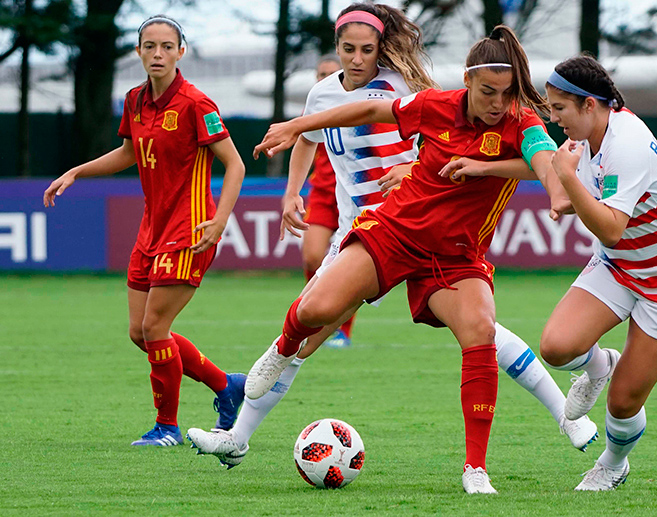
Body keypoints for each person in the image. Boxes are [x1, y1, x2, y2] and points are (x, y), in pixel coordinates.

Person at [186, 13, 596, 490]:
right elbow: (354, 116)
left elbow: (541, 158)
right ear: (469, 83)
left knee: (483, 331)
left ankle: (492, 458)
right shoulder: (418, 101)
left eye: (507, 93)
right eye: (488, 92)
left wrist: (552, 188)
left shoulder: (489, 111)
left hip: (452, 253)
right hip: (387, 230)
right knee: (313, 315)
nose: (498, 103)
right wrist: (295, 137)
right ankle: (247, 418)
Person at [42, 15, 247, 447]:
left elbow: (235, 164)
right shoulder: (135, 100)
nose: (158, 53)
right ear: (138, 51)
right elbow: (129, 152)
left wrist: (221, 220)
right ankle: (227, 386)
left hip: (190, 230)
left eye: (167, 46)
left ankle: (167, 428)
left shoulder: (196, 103)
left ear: (180, 52)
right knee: (141, 333)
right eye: (149, 46)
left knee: (156, 328)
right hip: (151, 230)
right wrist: (78, 171)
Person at [539, 54, 657, 491]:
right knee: (557, 347)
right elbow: (564, 182)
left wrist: (569, 183)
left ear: (589, 105)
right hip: (619, 266)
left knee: (623, 403)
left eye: (559, 108)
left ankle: (613, 465)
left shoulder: (627, 142)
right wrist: (483, 170)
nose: (553, 117)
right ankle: (600, 366)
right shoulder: (589, 136)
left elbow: (613, 229)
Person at [300, 54, 356, 348]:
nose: (325, 79)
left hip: (353, 193)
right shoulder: (316, 105)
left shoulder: (363, 105)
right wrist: (292, 191)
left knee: (352, 264)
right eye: (320, 74)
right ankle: (319, 313)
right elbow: (305, 144)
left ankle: (342, 329)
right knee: (312, 256)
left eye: (331, 73)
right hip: (323, 191)